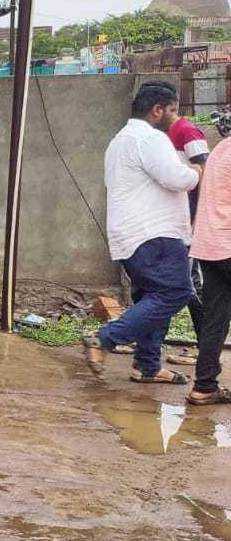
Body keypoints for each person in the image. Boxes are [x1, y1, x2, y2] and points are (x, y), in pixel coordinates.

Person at [83, 81, 199, 384]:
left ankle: (147, 365)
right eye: (171, 111)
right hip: (155, 233)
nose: (174, 118)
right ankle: (105, 339)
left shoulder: (120, 140)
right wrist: (196, 172)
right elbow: (177, 179)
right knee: (175, 292)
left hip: (130, 236)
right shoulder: (150, 138)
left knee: (152, 297)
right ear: (157, 109)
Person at [185, 112, 231, 404]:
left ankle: (204, 386)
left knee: (215, 316)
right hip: (227, 241)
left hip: (210, 245)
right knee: (216, 315)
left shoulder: (221, 150)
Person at [166, 103, 212, 366]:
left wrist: (199, 217)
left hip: (190, 220)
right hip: (177, 220)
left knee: (193, 284)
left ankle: (205, 348)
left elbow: (206, 173)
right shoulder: (165, 136)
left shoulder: (188, 132)